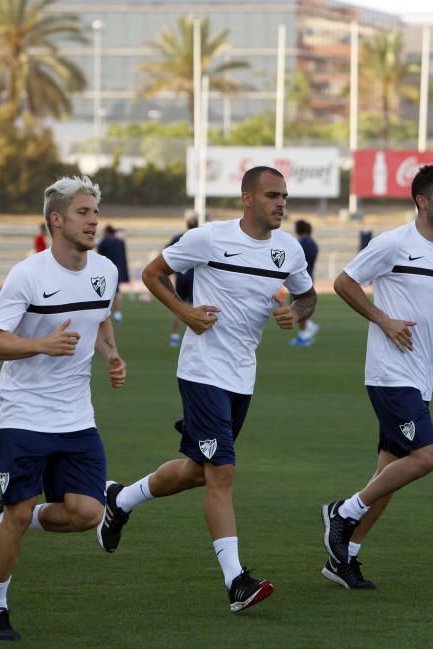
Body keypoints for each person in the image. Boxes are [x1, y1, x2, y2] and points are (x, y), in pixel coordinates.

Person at [96, 166, 316, 613]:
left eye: (285, 196)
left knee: (200, 469)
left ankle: (120, 499)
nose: (281, 203)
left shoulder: (288, 250)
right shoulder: (208, 238)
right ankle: (236, 581)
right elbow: (153, 272)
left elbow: (307, 295)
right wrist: (186, 312)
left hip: (242, 375)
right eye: (273, 195)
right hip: (202, 371)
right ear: (247, 198)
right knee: (223, 473)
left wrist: (298, 313)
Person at [0, 176, 127, 640]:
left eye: (95, 212)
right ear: (56, 220)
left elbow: (99, 318)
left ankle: (2, 519)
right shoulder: (28, 274)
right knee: (21, 513)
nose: (93, 220)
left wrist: (111, 355)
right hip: (24, 412)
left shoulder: (105, 271)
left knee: (87, 513)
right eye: (83, 213)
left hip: (77, 415)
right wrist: (41, 345)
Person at [321, 165, 433, 589]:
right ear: (422, 201)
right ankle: (342, 512)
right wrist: (384, 319)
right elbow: (343, 282)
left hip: (421, 375)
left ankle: (345, 558)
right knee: (427, 457)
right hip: (390, 374)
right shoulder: (393, 243)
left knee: (388, 476)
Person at [167, 214, 199, 347]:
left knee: (178, 307)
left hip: (181, 276)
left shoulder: (178, 237)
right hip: (193, 277)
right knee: (193, 307)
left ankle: (174, 336)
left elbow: (166, 252)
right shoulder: (199, 237)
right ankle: (193, 338)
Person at [289, 219, 320, 346]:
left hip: (299, 278)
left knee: (298, 306)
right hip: (309, 276)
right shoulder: (313, 243)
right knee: (304, 304)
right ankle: (308, 328)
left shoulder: (299, 243)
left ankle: (305, 334)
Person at [96, 225, 130, 323]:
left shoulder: (103, 242)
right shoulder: (119, 242)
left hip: (104, 271)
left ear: (107, 232)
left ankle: (106, 314)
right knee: (116, 293)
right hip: (116, 271)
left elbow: (99, 254)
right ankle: (118, 314)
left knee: (103, 293)